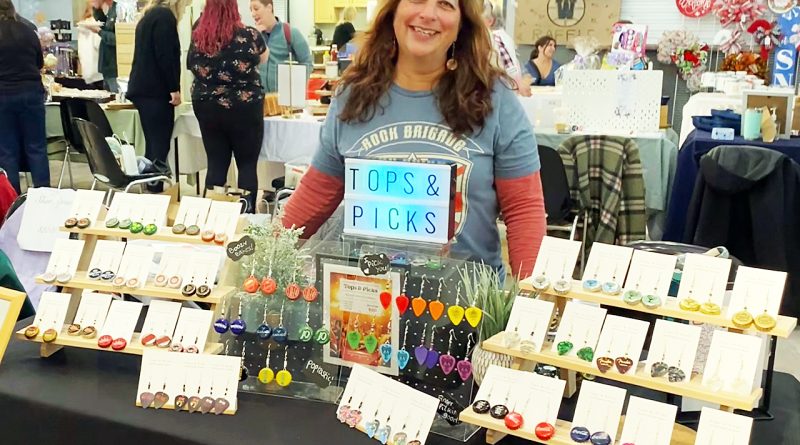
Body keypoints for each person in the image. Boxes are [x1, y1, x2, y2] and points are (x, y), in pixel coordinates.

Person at [281, 0, 547, 277]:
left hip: (468, 310)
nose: (428, 14)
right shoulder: (352, 96)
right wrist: (261, 254)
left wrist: (533, 303)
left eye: (445, 4)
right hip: (367, 303)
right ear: (393, 10)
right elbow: (315, 195)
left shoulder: (496, 99)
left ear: (461, 24)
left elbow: (523, 211)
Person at [188, 0, 268, 212]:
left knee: (215, 164)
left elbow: (191, 63)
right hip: (244, 108)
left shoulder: (198, 33)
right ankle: (246, 221)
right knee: (247, 165)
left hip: (207, 107)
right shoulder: (249, 35)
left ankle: (213, 220)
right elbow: (264, 58)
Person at [127, 0, 187, 192]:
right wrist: (174, 88)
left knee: (153, 145)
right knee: (160, 147)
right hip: (156, 91)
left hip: (143, 90)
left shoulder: (148, 17)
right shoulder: (164, 17)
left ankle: (150, 187)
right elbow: (166, 55)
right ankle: (156, 190)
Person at [0, 0, 50, 194]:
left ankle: (13, 204)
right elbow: (39, 62)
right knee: (37, 148)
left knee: (7, 152)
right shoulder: (28, 30)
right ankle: (44, 197)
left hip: (2, 95)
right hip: (31, 94)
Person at [249, 0, 313, 93]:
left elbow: (307, 62)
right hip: (259, 100)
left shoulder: (291, 32)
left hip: (285, 99)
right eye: (251, 10)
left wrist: (296, 88)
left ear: (269, 8)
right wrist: (254, 36)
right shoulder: (252, 35)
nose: (253, 14)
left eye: (256, 9)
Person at [483, 0, 530, 96]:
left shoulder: (497, 39)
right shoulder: (504, 38)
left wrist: (519, 83)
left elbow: (511, 70)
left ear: (490, 21)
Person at [86, 0, 118, 92]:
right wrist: (97, 9)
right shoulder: (111, 9)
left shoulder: (119, 9)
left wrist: (99, 31)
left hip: (114, 66)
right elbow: (104, 25)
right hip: (107, 65)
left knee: (115, 97)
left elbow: (117, 39)